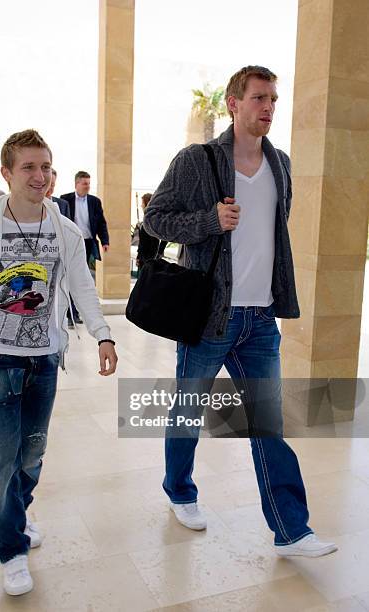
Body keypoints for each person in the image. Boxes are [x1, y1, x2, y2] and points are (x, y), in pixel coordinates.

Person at [144, 65, 337, 558]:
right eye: (258, 98)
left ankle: (292, 530)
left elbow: (273, 235)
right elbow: (156, 218)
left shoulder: (282, 164)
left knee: (269, 423)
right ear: (233, 103)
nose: (268, 106)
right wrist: (210, 220)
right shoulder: (198, 160)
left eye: (273, 98)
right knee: (187, 410)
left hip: (260, 321)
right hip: (211, 316)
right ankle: (180, 491)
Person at [0, 130, 118, 596]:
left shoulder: (66, 230)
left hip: (44, 358)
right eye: (29, 168)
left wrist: (103, 334)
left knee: (32, 453)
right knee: (3, 456)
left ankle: (16, 512)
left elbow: (81, 286)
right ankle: (12, 548)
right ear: (6, 173)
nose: (41, 177)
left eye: (47, 167)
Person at [61, 171, 110, 327]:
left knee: (84, 278)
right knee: (70, 277)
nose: (88, 186)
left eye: (89, 183)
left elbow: (102, 222)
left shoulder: (95, 201)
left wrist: (105, 241)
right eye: (85, 183)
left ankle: (80, 312)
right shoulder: (65, 199)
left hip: (88, 243)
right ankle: (71, 314)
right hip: (71, 243)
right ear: (76, 184)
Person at [136, 193, 167, 270]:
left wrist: (158, 254)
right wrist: (138, 256)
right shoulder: (145, 219)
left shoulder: (152, 220)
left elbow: (161, 239)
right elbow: (141, 242)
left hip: (149, 261)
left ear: (147, 203)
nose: (141, 205)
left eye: (142, 203)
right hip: (143, 260)